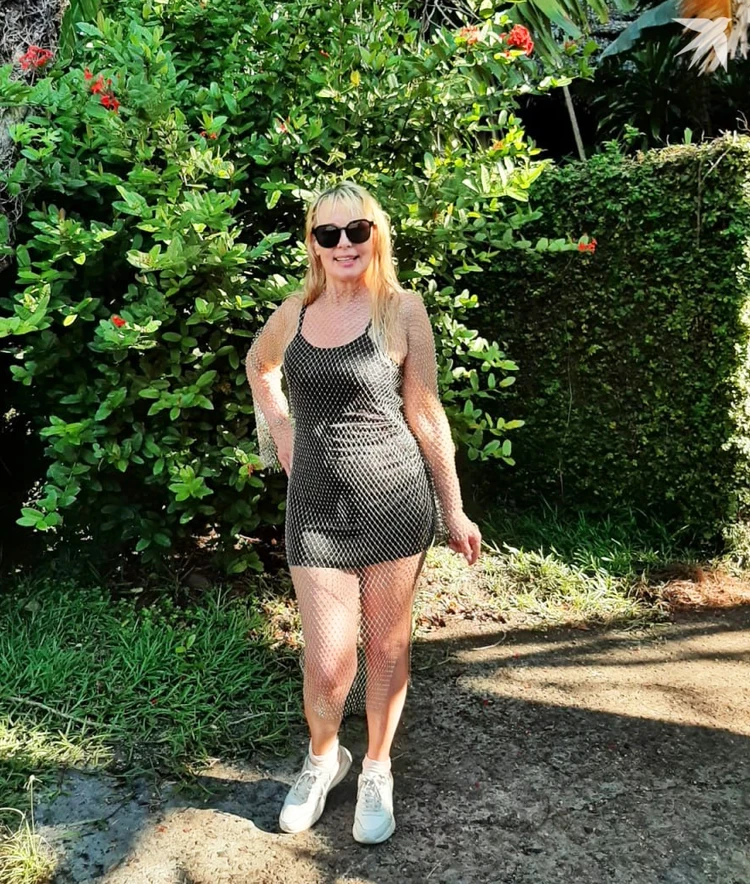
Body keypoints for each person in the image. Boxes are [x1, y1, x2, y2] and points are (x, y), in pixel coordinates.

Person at [246, 182, 481, 844]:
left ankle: (377, 765)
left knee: (386, 646)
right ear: (313, 243)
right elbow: (259, 365)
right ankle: (324, 758)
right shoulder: (294, 312)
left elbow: (425, 411)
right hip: (316, 507)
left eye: (357, 231)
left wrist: (454, 508)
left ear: (377, 235)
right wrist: (281, 430)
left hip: (394, 501)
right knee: (328, 663)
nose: (344, 244)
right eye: (329, 234)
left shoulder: (403, 310)